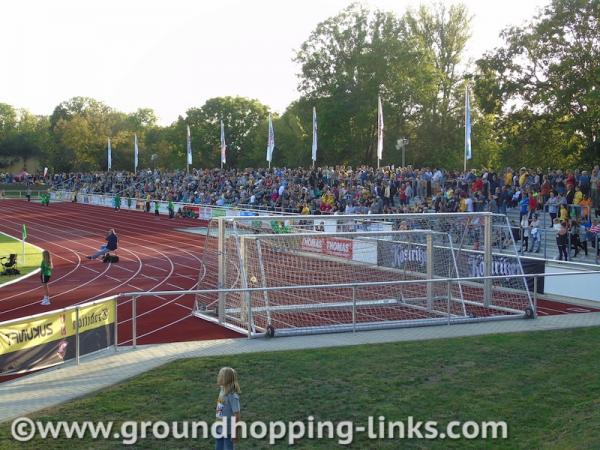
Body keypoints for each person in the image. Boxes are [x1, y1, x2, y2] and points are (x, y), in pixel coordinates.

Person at [215, 367, 241, 450]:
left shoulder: (232, 396)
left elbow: (237, 415)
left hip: (228, 430)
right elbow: (220, 408)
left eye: (220, 376)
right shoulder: (222, 390)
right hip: (219, 428)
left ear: (226, 379)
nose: (217, 377)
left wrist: (235, 433)